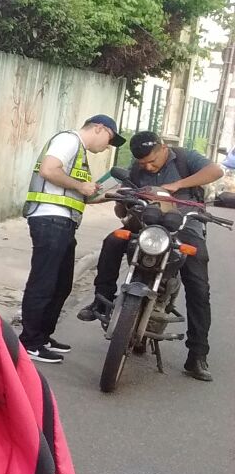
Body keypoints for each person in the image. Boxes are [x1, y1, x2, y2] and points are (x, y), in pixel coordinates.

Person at [76, 131, 224, 381]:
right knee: (112, 242)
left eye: (151, 161)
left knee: (199, 287)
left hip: (185, 225)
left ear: (163, 148)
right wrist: (123, 201)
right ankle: (101, 301)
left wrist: (177, 185)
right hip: (147, 222)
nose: (147, 166)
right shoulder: (136, 168)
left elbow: (216, 171)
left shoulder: (185, 158)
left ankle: (197, 354)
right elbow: (122, 201)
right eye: (142, 163)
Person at [17, 114, 124, 363]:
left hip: (63, 222)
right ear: (98, 128)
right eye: (109, 138)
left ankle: (42, 336)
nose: (108, 146)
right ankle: (29, 342)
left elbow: (81, 195)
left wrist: (111, 193)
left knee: (62, 284)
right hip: (49, 219)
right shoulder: (68, 140)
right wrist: (79, 185)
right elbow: (48, 169)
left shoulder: (79, 153)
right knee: (43, 283)